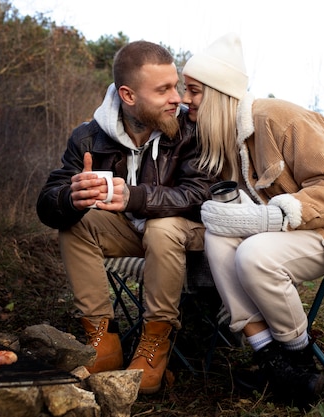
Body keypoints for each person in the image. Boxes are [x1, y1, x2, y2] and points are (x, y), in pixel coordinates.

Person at [181, 33, 324, 407]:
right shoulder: (225, 137)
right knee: (217, 238)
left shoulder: (279, 119)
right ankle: (270, 359)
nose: (184, 100)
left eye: (193, 91)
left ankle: (299, 356)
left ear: (219, 94)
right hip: (291, 232)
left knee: (253, 254)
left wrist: (268, 216)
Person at [37, 40, 213, 394]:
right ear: (128, 95)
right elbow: (47, 204)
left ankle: (154, 345)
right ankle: (102, 341)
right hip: (130, 235)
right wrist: (71, 197)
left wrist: (135, 197)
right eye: (163, 89)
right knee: (78, 220)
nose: (177, 97)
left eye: (175, 85)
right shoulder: (87, 137)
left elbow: (201, 193)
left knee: (162, 228)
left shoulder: (189, 131)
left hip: (184, 234)